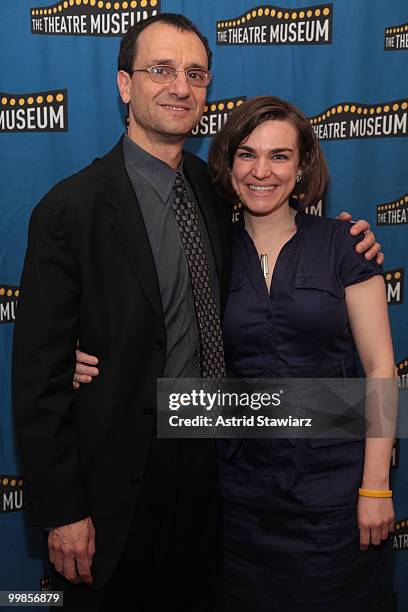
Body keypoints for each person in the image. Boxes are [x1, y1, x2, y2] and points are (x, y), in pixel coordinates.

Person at [13, 10, 381, 612]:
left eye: (196, 73)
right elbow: (37, 377)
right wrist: (62, 509)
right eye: (161, 70)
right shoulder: (68, 210)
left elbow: (282, 243)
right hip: (117, 485)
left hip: (217, 471)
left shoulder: (219, 191)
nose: (180, 86)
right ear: (125, 85)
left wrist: (347, 245)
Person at [209, 96, 396, 611]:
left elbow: (381, 368)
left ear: (302, 166)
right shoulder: (209, 251)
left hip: (335, 498)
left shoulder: (345, 245)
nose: (261, 171)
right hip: (239, 500)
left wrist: (375, 488)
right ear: (228, 164)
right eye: (246, 154)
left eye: (279, 156)